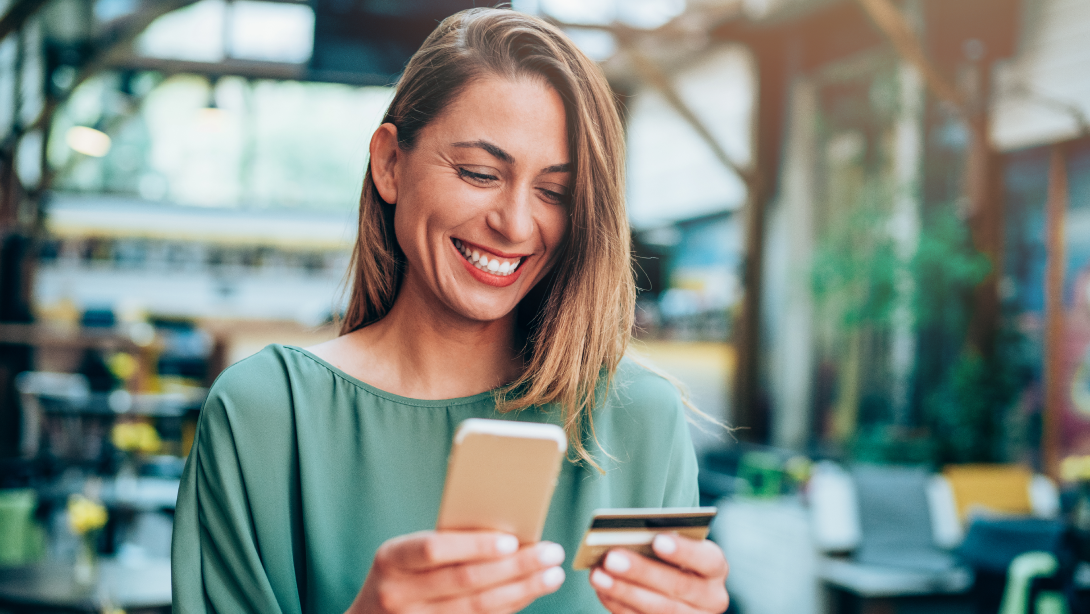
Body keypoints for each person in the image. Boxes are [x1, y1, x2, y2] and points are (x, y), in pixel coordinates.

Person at [172, 7, 730, 614]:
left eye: (554, 193)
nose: (515, 224)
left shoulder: (636, 419)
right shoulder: (267, 413)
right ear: (389, 163)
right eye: (480, 172)